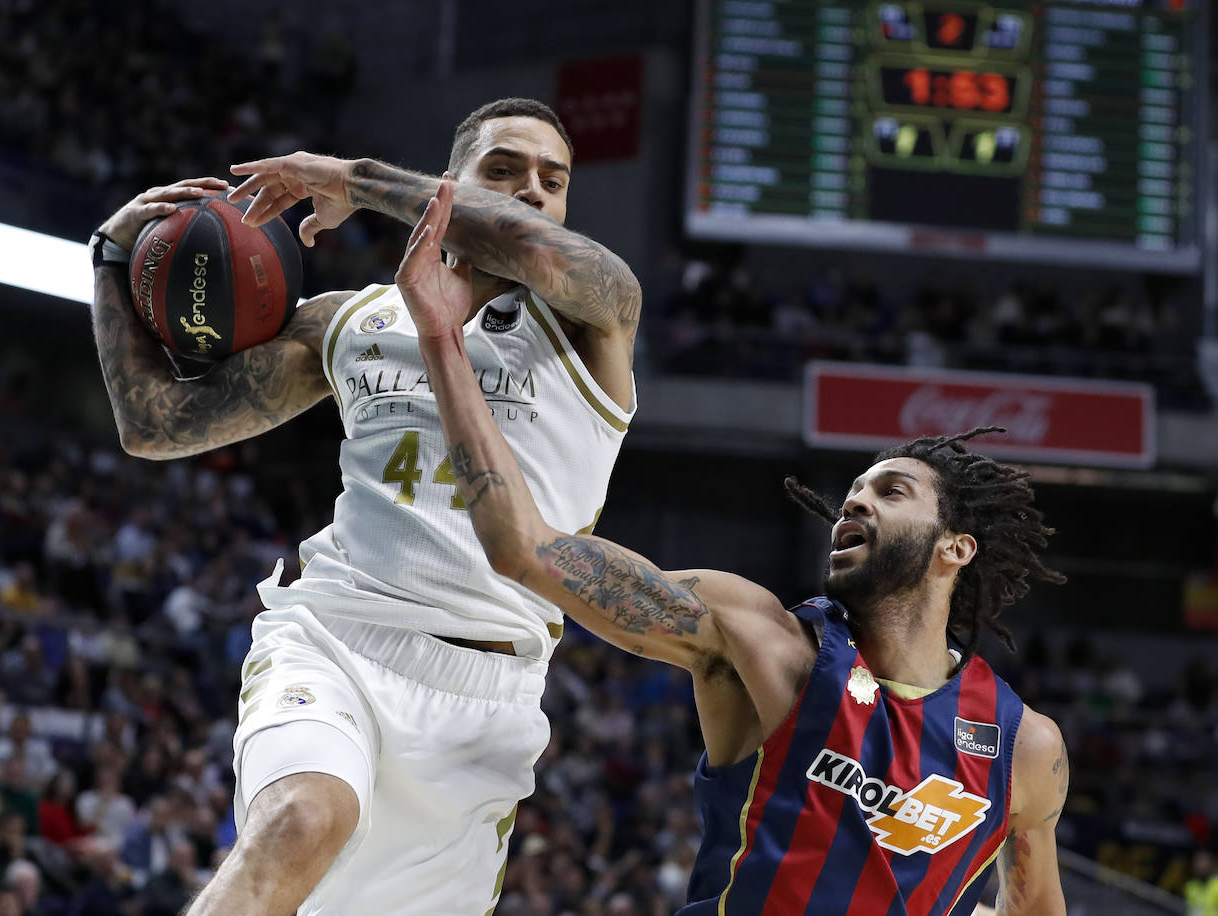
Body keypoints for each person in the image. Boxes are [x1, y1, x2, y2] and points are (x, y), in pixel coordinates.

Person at [397, 180, 1070, 915]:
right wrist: (439, 338)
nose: (855, 499)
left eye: (892, 492)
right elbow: (523, 547)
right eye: (855, 488)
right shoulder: (762, 639)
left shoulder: (1022, 747)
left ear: (956, 549)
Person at [87, 98, 639, 914]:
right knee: (300, 819)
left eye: (550, 181)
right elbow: (154, 424)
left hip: (486, 698)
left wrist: (347, 179)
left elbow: (516, 241)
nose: (530, 192)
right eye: (502, 170)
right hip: (336, 637)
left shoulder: (597, 316)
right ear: (448, 181)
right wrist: (107, 259)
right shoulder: (349, 320)